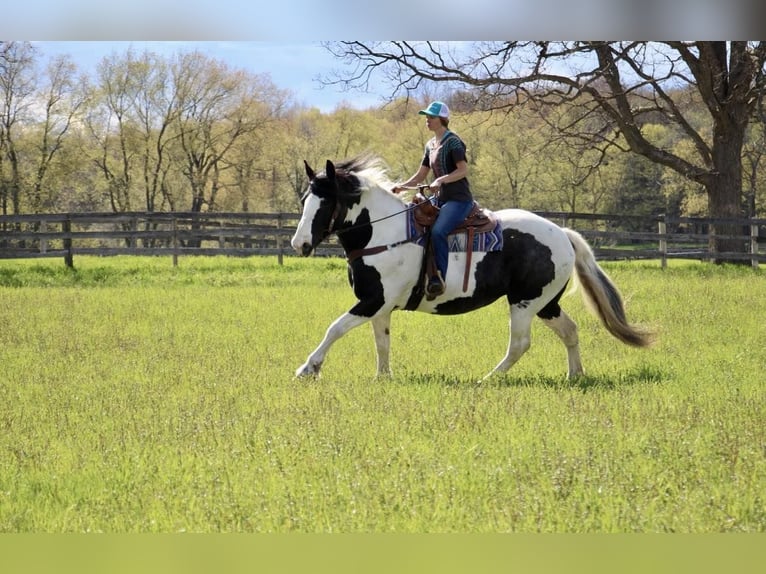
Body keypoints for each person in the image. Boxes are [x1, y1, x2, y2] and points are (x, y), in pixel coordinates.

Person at [392, 101, 474, 298]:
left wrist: (441, 179)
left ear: (442, 119)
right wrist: (402, 186)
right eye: (426, 117)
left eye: (431, 117)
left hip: (459, 200)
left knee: (437, 232)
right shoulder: (430, 145)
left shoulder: (453, 142)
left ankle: (439, 279)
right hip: (439, 200)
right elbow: (420, 175)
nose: (427, 120)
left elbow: (463, 170)